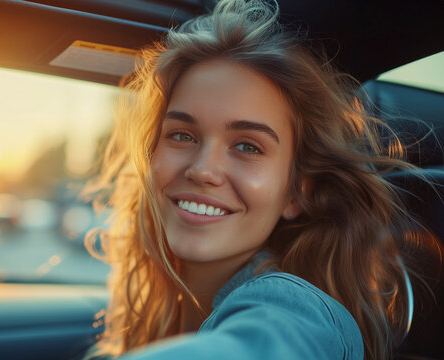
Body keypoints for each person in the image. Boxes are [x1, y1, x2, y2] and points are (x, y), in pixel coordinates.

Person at [82, 0, 437, 359]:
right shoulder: (155, 309)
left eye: (247, 146)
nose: (203, 170)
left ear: (298, 191)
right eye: (182, 135)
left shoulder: (295, 308)